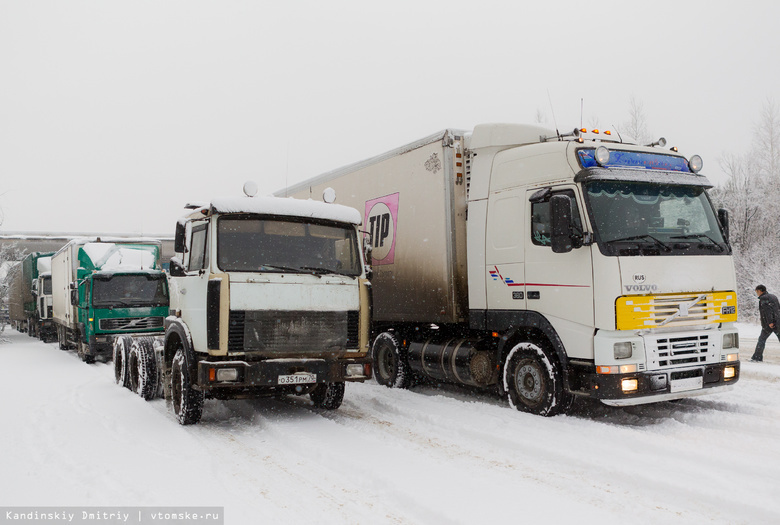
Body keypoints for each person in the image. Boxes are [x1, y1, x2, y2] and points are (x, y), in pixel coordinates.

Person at [751, 284, 780, 362]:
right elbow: (777, 309)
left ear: (760, 291)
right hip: (778, 322)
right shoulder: (773, 296)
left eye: (757, 291)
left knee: (761, 340)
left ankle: (757, 358)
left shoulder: (763, 298)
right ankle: (756, 357)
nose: (757, 293)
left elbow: (767, 311)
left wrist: (770, 322)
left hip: (769, 325)